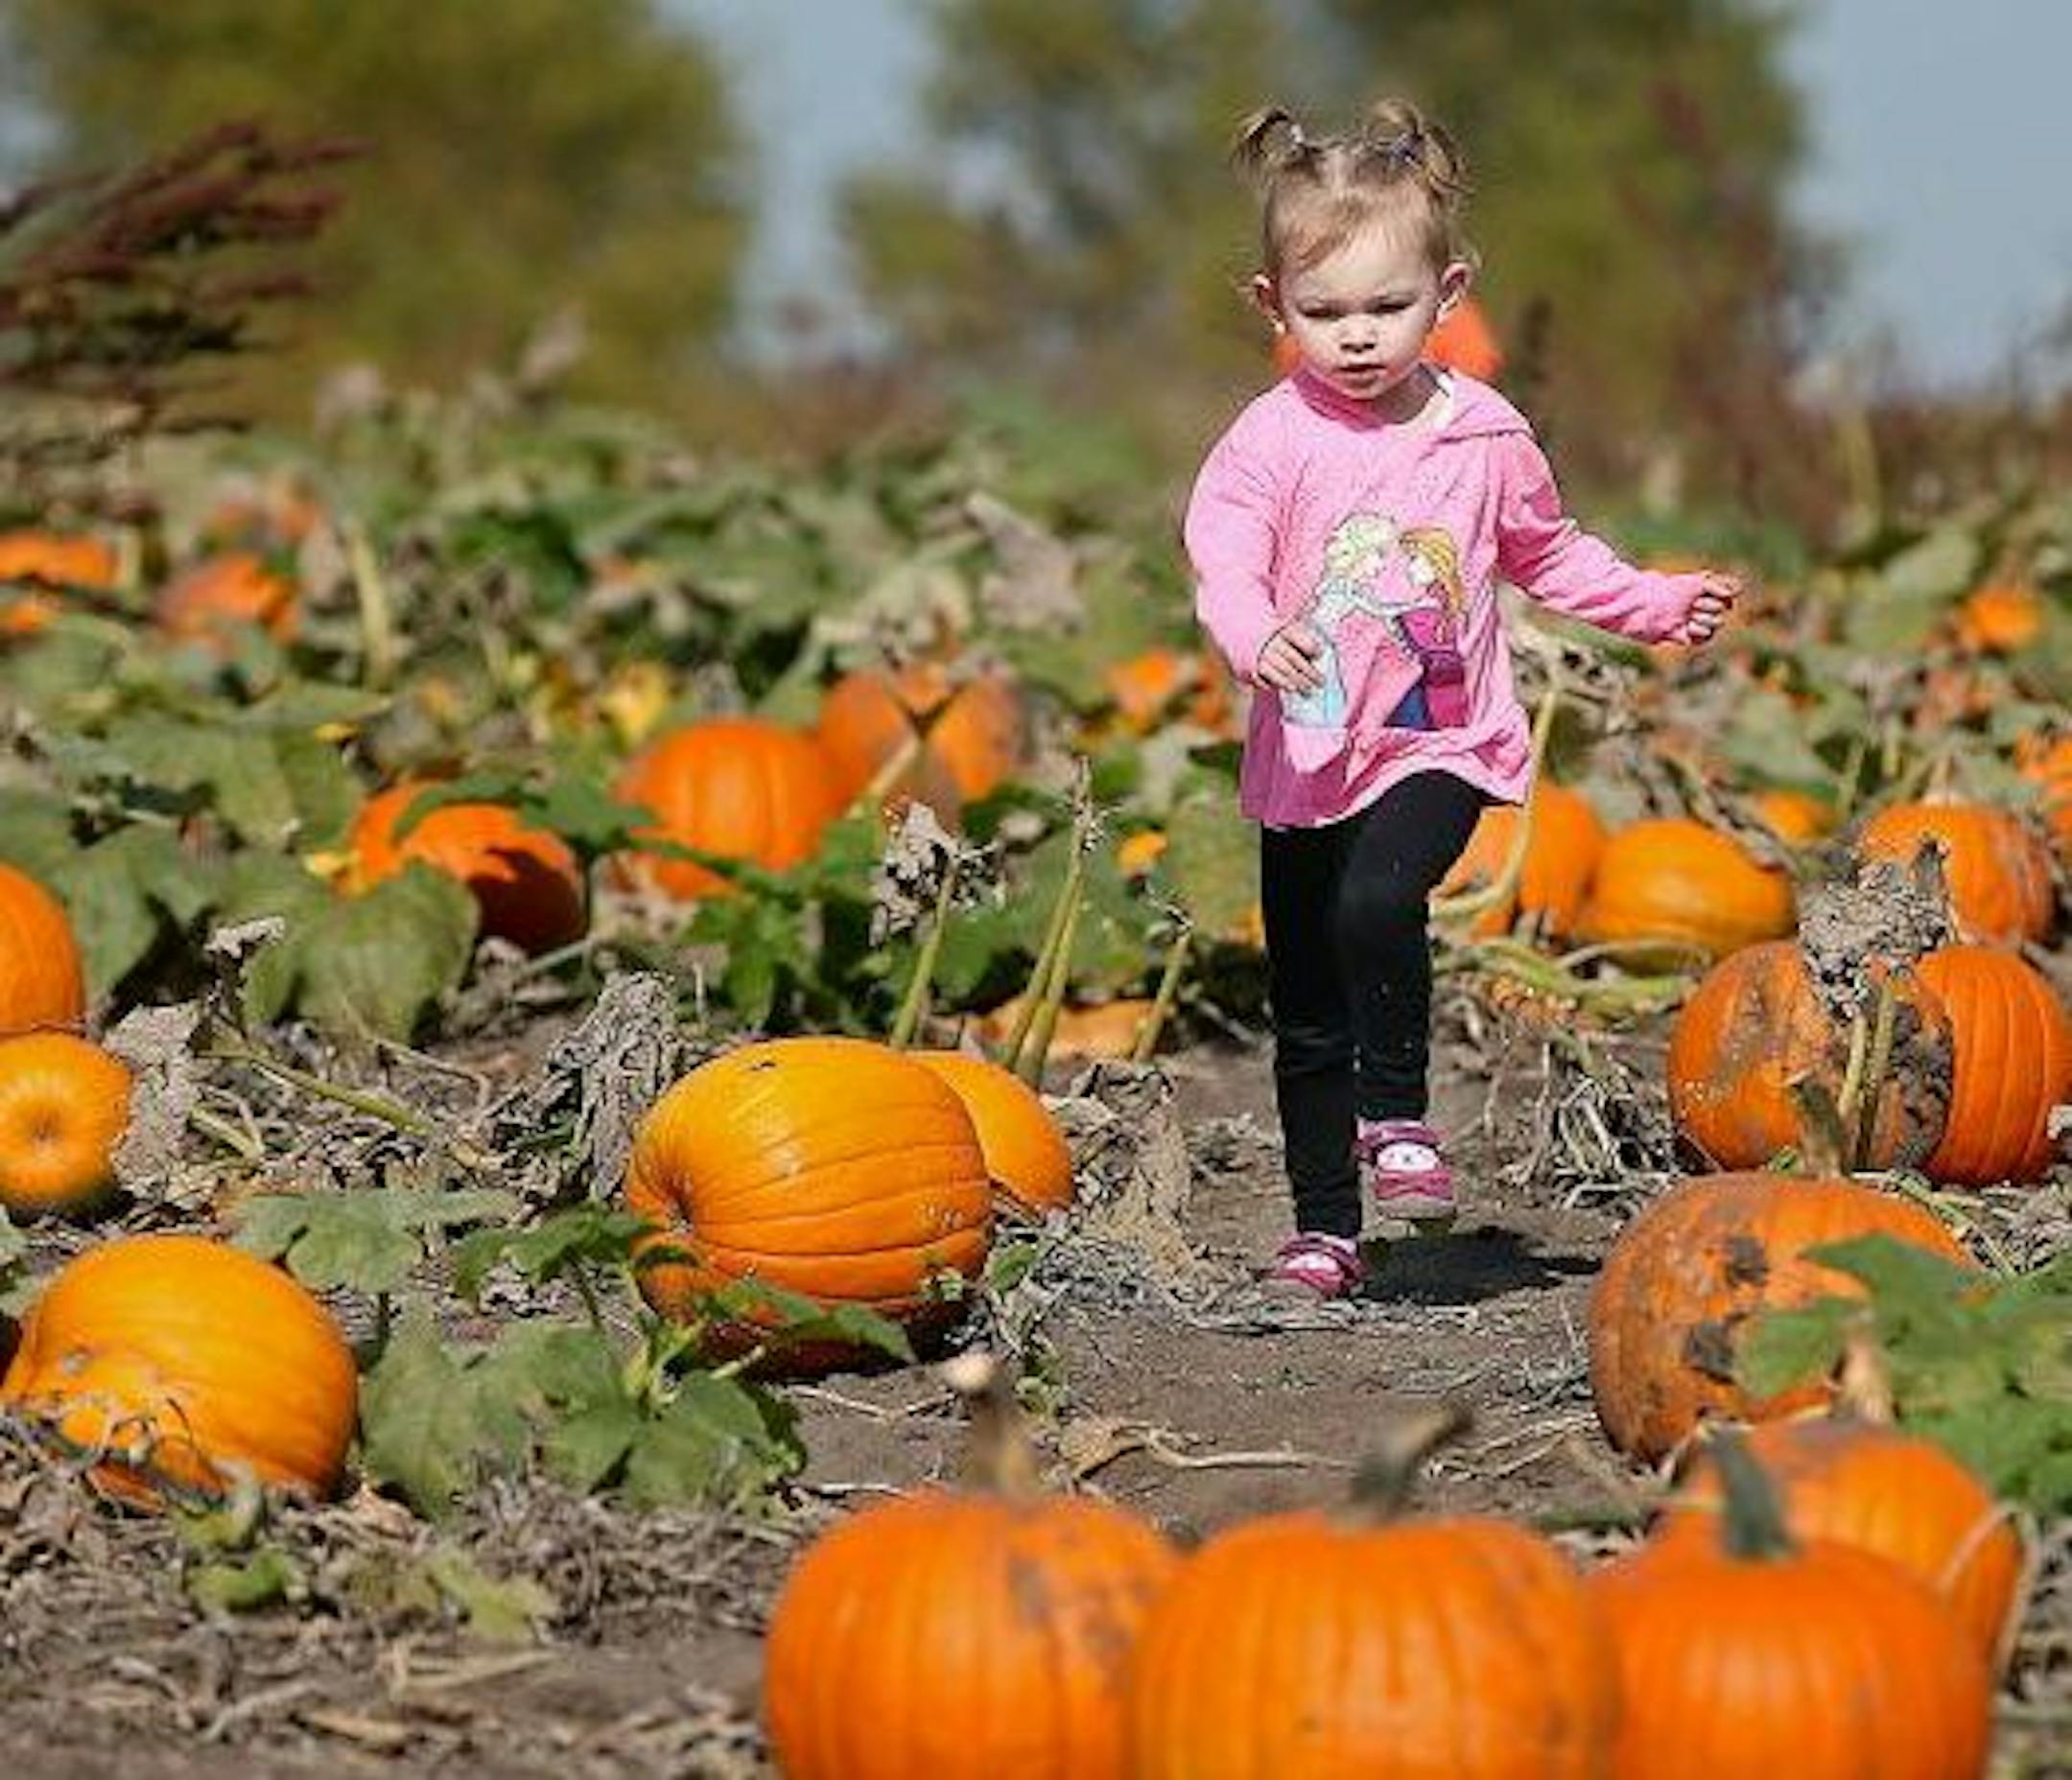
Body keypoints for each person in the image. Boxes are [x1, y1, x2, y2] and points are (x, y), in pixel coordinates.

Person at [1184, 98, 1739, 1300]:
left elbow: (1546, 553)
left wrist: (1651, 601)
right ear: (1273, 307)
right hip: (1309, 750)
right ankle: (1325, 1230)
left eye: (1388, 306)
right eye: (1325, 313)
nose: (1359, 336)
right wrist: (1255, 632)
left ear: (1449, 288)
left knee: (1383, 898)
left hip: (1439, 737)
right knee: (1308, 1002)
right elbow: (1222, 557)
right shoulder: (1268, 441)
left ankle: (1401, 1120)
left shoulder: (1483, 434)